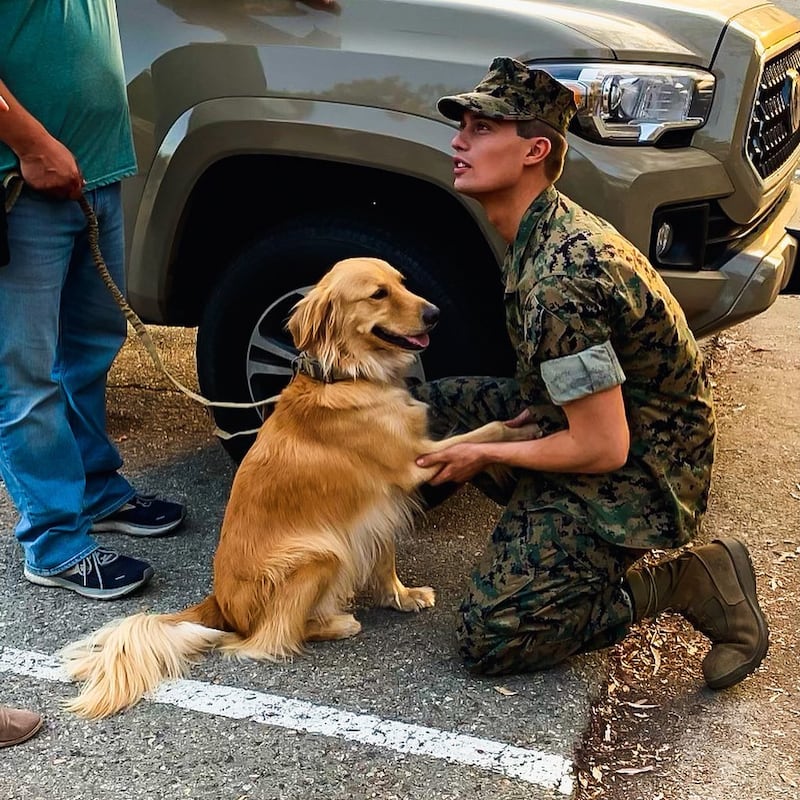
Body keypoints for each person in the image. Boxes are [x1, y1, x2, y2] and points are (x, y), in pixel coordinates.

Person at [413, 57, 769, 689]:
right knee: (426, 410)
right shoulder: (534, 230)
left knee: (492, 637)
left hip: (644, 473)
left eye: (483, 128)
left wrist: (487, 453)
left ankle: (686, 578)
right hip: (602, 426)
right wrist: (499, 433)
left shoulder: (561, 277)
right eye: (462, 125)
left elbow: (603, 447)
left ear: (535, 150)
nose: (458, 142)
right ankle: (530, 537)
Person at [0, 2, 185, 600]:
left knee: (90, 347)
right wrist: (30, 145)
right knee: (25, 376)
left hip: (94, 171)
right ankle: (54, 544)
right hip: (21, 180)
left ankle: (94, 491)